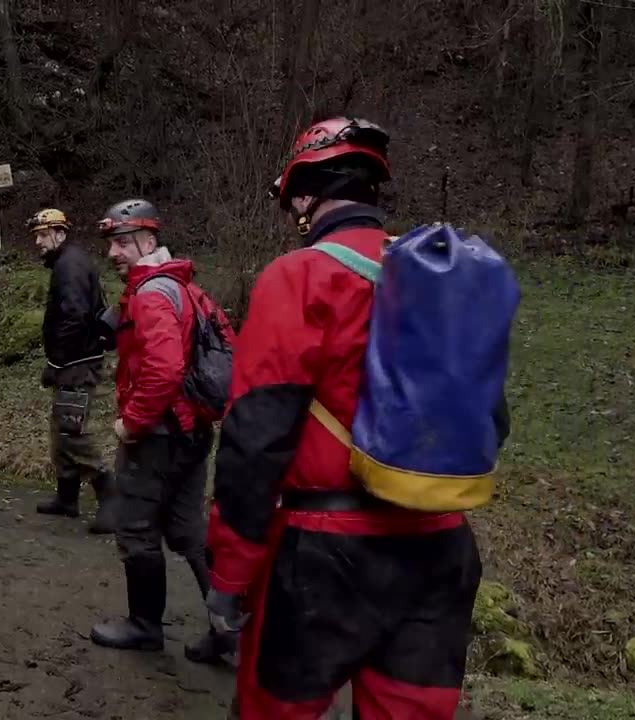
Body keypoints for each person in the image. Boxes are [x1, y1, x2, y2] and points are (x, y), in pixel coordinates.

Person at [205, 117, 500, 719]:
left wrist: (230, 575)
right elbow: (491, 418)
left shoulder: (299, 276)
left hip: (324, 556)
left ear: (307, 196)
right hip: (440, 548)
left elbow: (255, 439)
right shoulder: (439, 279)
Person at [87, 199, 218, 659]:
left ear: (150, 240)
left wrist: (132, 423)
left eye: (123, 243)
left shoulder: (151, 294)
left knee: (137, 528)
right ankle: (231, 627)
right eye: (111, 245)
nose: (114, 254)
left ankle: (145, 626)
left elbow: (163, 370)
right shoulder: (185, 286)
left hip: (159, 434)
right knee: (187, 529)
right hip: (192, 431)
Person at [26, 208, 116, 534]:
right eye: (36, 235)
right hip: (73, 362)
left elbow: (75, 317)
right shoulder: (67, 263)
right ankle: (67, 498)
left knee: (72, 431)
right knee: (60, 430)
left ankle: (111, 497)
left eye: (43, 234)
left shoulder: (71, 265)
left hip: (78, 363)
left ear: (60, 234)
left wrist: (56, 361)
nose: (37, 241)